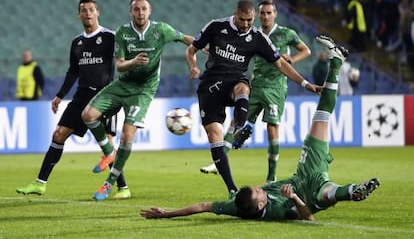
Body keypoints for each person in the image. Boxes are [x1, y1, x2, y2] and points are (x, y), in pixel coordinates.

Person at [140, 35, 380, 221]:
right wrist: (295, 198)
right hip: (310, 195)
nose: (259, 188)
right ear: (262, 205)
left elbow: (204, 206)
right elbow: (309, 218)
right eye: (258, 192)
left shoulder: (240, 205)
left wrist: (167, 213)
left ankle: (336, 60)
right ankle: (352, 192)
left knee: (322, 114)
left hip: (305, 172)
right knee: (326, 194)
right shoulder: (277, 210)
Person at [186, 0, 320, 196]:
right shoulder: (216, 27)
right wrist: (193, 66)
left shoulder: (257, 38)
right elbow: (192, 49)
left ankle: (241, 127)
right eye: (242, 20)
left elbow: (281, 64)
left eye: (250, 20)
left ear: (254, 17)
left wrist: (306, 84)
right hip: (210, 86)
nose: (246, 24)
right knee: (215, 137)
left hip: (235, 81)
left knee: (243, 88)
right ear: (235, 13)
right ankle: (232, 190)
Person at [81, 0, 194, 201]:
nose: (140, 12)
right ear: (130, 12)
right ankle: (109, 152)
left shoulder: (161, 30)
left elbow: (187, 39)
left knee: (126, 135)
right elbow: (119, 65)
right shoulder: (123, 33)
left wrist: (204, 50)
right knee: (88, 115)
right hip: (123, 84)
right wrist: (133, 62)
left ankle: (110, 183)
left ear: (149, 11)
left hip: (144, 90)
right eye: (136, 9)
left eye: (143, 9)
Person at [16, 0, 130, 199]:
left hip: (103, 97)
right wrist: (59, 96)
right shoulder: (77, 42)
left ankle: (123, 187)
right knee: (58, 134)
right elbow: (73, 71)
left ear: (98, 13)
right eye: (83, 10)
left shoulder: (110, 36)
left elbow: (124, 59)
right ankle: (40, 183)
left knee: (107, 146)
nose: (87, 13)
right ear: (79, 15)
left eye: (91, 10)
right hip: (80, 96)